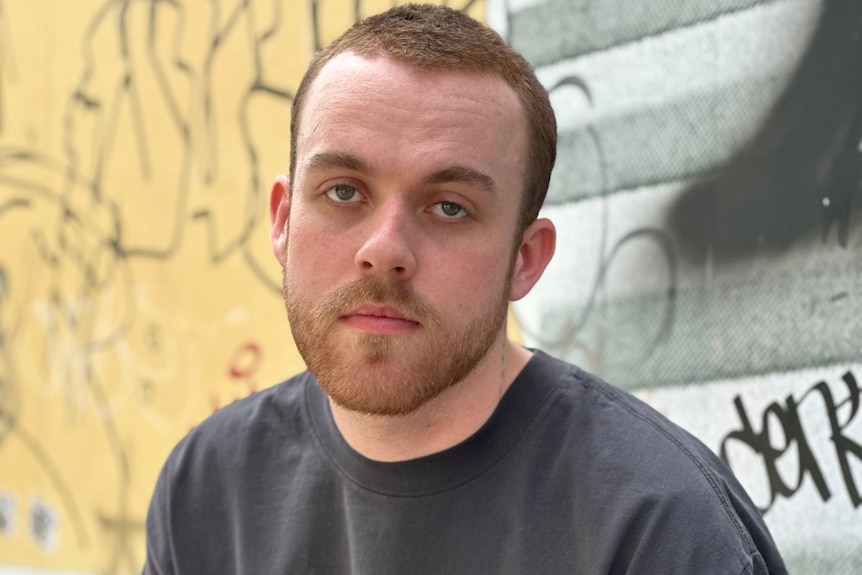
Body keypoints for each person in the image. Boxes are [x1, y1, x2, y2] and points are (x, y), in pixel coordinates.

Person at [143, 4, 787, 574]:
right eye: (343, 192)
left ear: (524, 260)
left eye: (449, 207)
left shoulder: (659, 530)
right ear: (283, 221)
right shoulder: (207, 490)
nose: (384, 250)